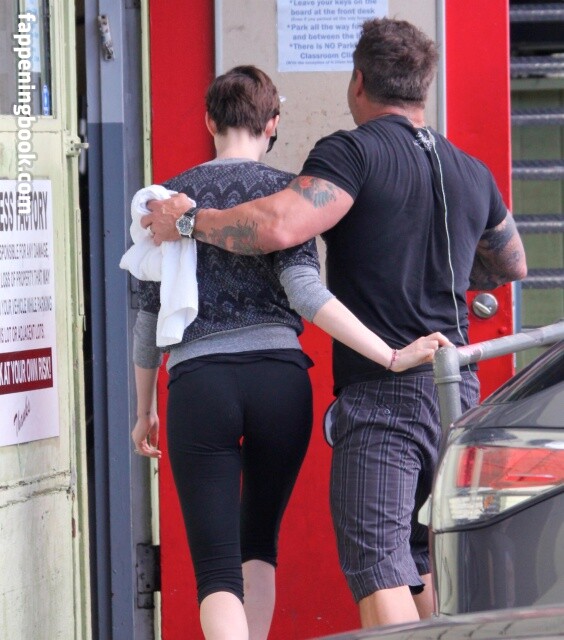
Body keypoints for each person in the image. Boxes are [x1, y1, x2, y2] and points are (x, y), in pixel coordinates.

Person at [141, 20, 528, 630]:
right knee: (422, 559)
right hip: (454, 389)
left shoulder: (353, 153)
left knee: (378, 565)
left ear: (358, 82)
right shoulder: (470, 170)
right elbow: (512, 264)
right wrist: (444, 270)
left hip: (383, 396)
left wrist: (188, 223)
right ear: (424, 87)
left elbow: (277, 227)